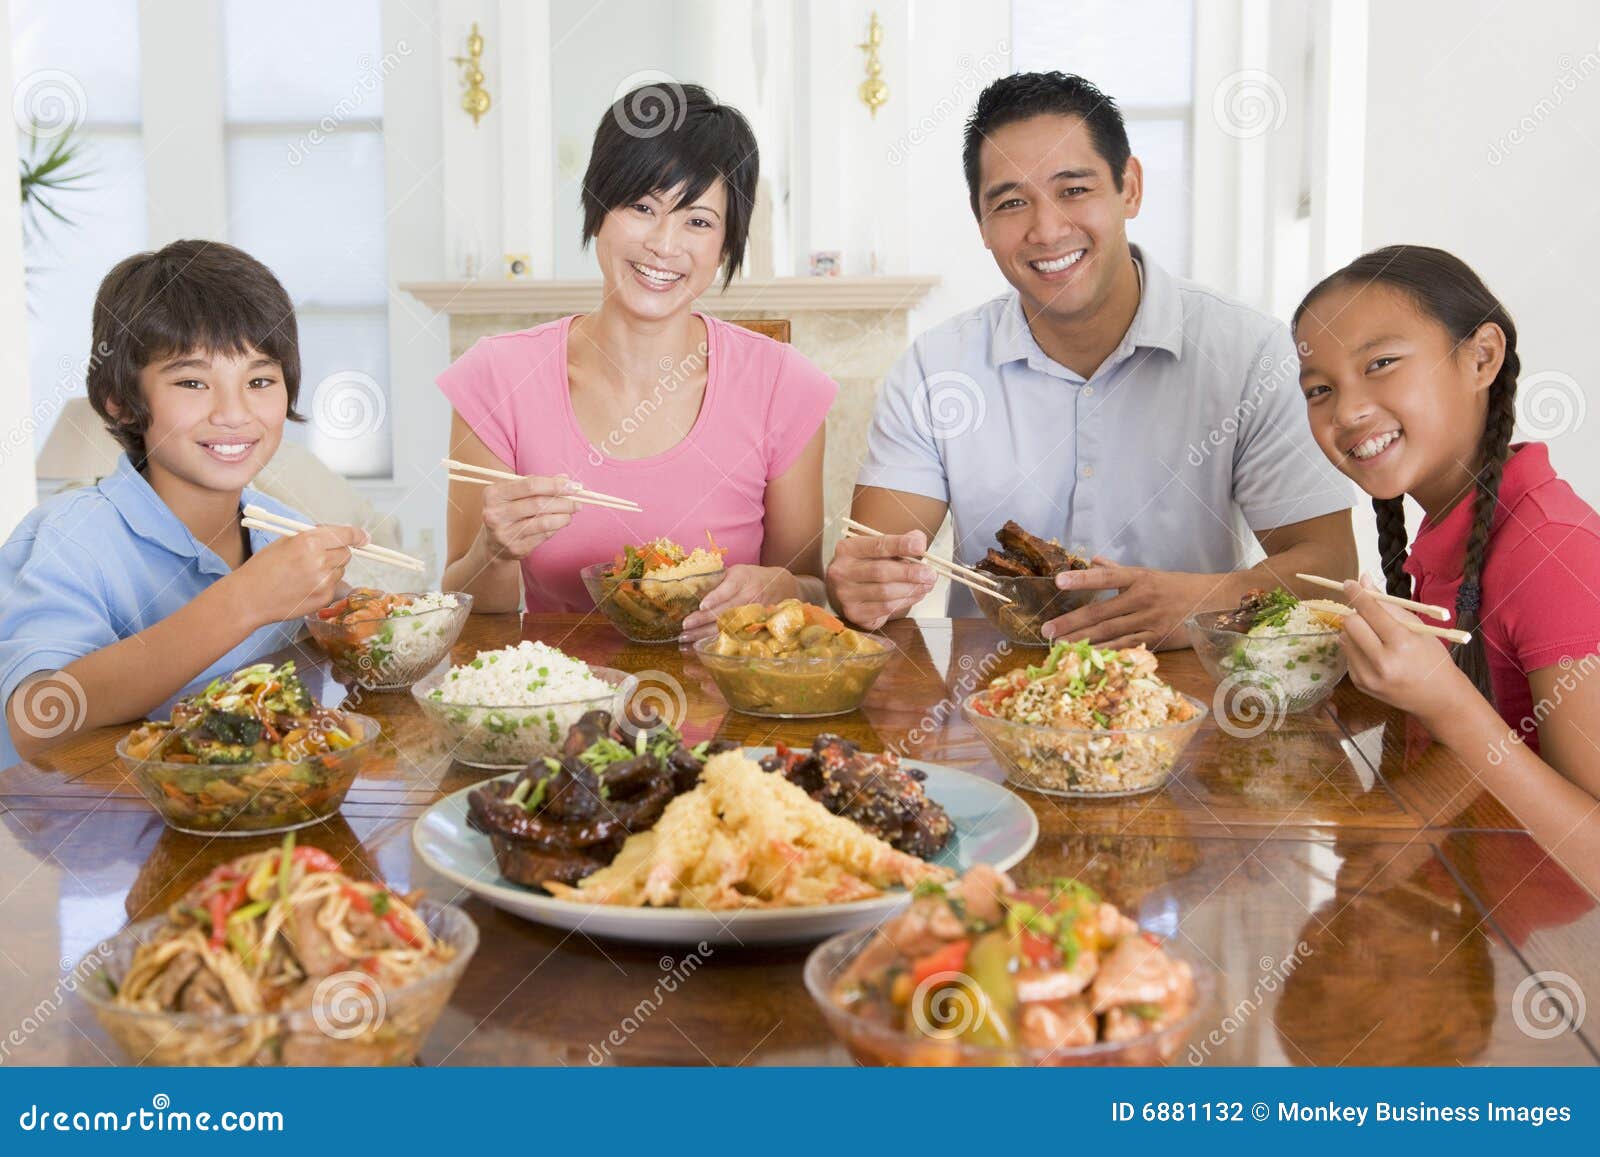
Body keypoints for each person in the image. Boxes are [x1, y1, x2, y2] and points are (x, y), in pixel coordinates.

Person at [827, 72, 1356, 645]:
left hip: (1192, 698)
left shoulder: (1249, 353)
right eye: (1010, 203)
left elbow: (1326, 570)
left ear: (1129, 187)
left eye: (1074, 190)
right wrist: (862, 585)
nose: (1048, 229)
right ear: (981, 224)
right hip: (989, 698)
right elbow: (875, 560)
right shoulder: (938, 369)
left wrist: (1200, 601)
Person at [439, 83, 836, 625]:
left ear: (726, 245)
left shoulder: (786, 386)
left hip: (732, 699)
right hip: (558, 697)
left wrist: (782, 586)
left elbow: (810, 590)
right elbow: (469, 607)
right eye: (642, 206)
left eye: (698, 221)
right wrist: (494, 550)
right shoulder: (497, 378)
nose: (664, 244)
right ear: (597, 209)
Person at [1295, 245, 1600, 896]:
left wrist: (1447, 701)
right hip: (1455, 913)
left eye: (1380, 364)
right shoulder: (1449, 536)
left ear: (1481, 357)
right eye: (1320, 389)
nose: (1346, 411)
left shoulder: (1556, 553)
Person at [0, 241, 367, 768]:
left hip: (254, 812)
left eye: (260, 380)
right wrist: (242, 601)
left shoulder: (282, 528)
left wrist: (357, 616)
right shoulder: (66, 537)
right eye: (192, 382)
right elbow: (38, 721)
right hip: (97, 839)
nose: (234, 413)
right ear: (121, 400)